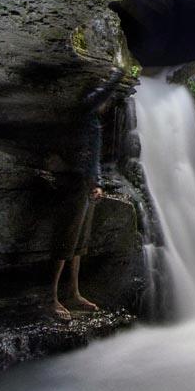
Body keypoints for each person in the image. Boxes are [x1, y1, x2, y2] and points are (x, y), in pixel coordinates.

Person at [52, 72, 124, 318]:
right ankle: (50, 297)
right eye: (104, 99)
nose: (107, 104)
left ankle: (73, 292)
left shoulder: (93, 122)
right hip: (74, 183)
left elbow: (93, 158)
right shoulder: (83, 113)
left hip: (87, 186)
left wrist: (98, 183)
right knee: (66, 241)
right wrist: (120, 73)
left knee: (80, 243)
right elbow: (81, 157)